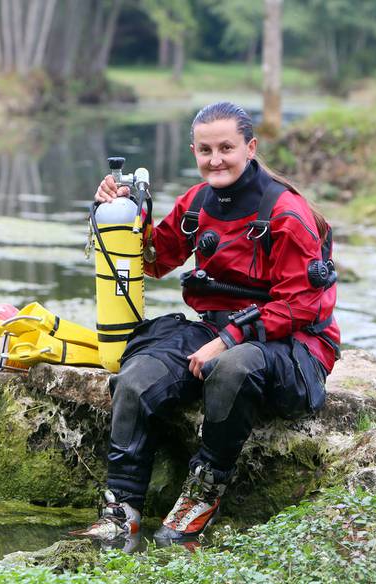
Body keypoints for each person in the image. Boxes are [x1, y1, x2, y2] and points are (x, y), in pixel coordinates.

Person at [76, 101, 340, 546]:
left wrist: (229, 339)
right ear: (193, 151)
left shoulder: (286, 213)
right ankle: (121, 510)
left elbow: (302, 305)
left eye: (226, 148)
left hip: (294, 346)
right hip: (218, 329)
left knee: (232, 367)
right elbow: (154, 260)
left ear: (250, 147)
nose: (215, 160)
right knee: (136, 376)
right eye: (204, 150)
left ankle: (202, 493)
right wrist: (121, 212)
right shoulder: (197, 203)